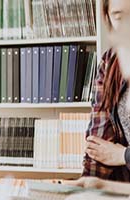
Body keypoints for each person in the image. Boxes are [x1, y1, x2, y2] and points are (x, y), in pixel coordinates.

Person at [82, 0, 130, 182]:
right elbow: (99, 144)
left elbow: (114, 154)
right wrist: (85, 187)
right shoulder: (111, 62)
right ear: (108, 20)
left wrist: (123, 155)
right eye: (119, 17)